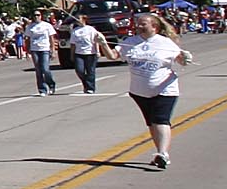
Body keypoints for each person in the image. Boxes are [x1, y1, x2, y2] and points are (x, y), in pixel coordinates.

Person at [121, 13, 191, 168]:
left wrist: (184, 57)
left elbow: (180, 60)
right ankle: (160, 152)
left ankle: (162, 153)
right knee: (152, 123)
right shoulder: (130, 42)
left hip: (165, 89)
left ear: (154, 26)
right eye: (137, 23)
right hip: (139, 91)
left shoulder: (165, 43)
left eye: (143, 23)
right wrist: (102, 43)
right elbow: (113, 56)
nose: (139, 26)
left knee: (160, 120)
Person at [67, 13, 112, 93]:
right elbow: (73, 44)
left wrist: (98, 51)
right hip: (79, 53)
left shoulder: (91, 29)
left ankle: (90, 88)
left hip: (91, 53)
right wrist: (72, 55)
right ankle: (86, 83)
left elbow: (96, 41)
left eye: (79, 18)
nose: (77, 20)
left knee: (90, 71)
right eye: (76, 19)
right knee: (79, 70)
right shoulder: (75, 31)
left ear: (84, 19)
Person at [24, 10, 58, 96]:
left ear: (41, 16)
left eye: (38, 15)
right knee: (38, 70)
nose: (36, 17)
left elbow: (51, 38)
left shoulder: (47, 25)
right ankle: (42, 89)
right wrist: (27, 51)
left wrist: (53, 50)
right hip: (34, 49)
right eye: (35, 15)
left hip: (45, 49)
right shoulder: (30, 27)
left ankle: (51, 84)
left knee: (45, 69)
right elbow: (27, 39)